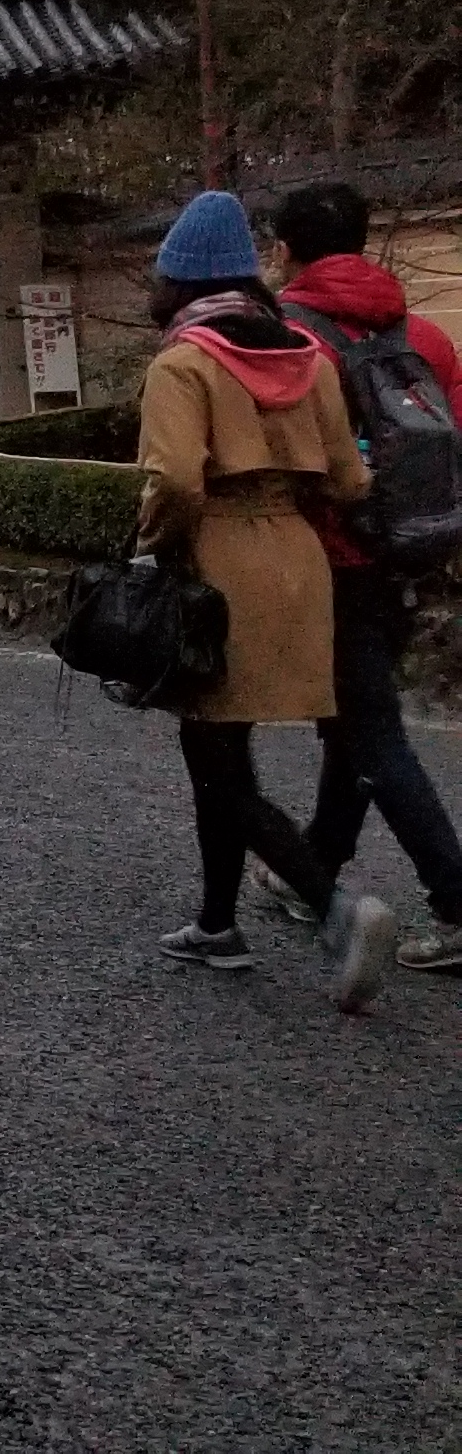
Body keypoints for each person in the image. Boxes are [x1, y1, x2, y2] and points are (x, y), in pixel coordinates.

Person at [132, 189, 395, 1008]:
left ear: (178, 281)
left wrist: (150, 543)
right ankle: (217, 924)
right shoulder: (308, 357)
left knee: (216, 764)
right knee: (220, 747)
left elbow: (176, 480)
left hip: (218, 563)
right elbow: (350, 478)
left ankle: (336, 907)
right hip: (300, 562)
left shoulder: (182, 364)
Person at [263, 180, 462, 970]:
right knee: (353, 720)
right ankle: (313, 869)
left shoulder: (289, 337)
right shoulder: (421, 333)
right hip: (411, 548)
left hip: (333, 558)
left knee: (370, 730)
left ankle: (456, 899)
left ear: (285, 251)